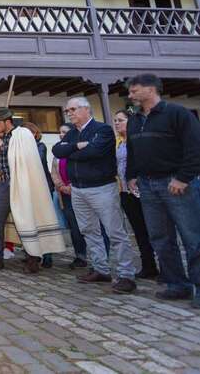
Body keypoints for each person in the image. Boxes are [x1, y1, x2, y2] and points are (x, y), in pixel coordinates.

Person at [126, 73, 200, 308]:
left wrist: (183, 178)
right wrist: (131, 175)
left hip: (176, 183)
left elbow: (195, 148)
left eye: (134, 90)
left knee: (192, 237)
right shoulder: (134, 120)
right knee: (160, 238)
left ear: (151, 89)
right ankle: (177, 284)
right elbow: (132, 151)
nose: (130, 95)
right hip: (147, 185)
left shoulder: (178, 113)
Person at [53, 97, 137, 294]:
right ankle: (101, 269)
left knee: (115, 232)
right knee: (89, 231)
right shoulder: (72, 133)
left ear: (86, 109)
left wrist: (72, 150)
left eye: (73, 109)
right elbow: (57, 150)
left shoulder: (102, 129)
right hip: (78, 189)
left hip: (102, 188)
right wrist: (78, 146)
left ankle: (126, 275)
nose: (69, 114)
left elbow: (93, 152)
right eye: (67, 111)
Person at [0, 107, 65, 274]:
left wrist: (2, 146)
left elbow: (24, 158)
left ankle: (33, 257)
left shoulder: (23, 134)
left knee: (26, 218)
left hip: (22, 183)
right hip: (4, 183)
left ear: (7, 121)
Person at [113, 109, 159, 280]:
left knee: (155, 229)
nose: (117, 123)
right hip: (126, 192)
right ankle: (149, 265)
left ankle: (167, 267)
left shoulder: (138, 139)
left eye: (120, 120)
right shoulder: (118, 143)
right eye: (115, 121)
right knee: (139, 230)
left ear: (130, 121)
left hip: (143, 190)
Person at [50, 122, 88, 269]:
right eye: (60, 132)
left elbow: (80, 168)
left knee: (85, 225)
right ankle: (80, 255)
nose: (61, 135)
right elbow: (54, 171)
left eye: (64, 132)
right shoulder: (59, 151)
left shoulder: (78, 148)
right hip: (64, 194)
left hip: (79, 191)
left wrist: (72, 185)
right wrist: (61, 186)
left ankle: (96, 256)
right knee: (73, 226)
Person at [22, 121, 55, 268]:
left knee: (44, 222)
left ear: (34, 134)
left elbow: (37, 159)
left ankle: (47, 256)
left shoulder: (40, 146)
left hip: (43, 189)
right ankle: (32, 254)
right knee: (29, 222)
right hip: (27, 188)